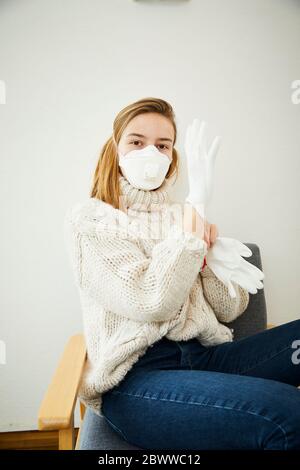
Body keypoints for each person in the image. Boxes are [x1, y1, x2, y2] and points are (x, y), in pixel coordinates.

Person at [64, 97, 300, 450]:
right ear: (116, 148)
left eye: (163, 146)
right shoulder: (91, 220)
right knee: (288, 413)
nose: (151, 154)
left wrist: (207, 261)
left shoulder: (181, 216)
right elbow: (150, 300)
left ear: (173, 156)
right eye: (137, 142)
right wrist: (190, 234)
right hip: (138, 380)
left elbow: (228, 309)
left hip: (205, 359)